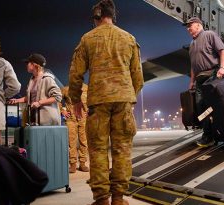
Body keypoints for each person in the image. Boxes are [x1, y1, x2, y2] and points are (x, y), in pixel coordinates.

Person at [68, 0, 144, 204]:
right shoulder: (128, 38)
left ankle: (101, 200)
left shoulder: (87, 39)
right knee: (122, 149)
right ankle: (118, 199)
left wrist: (75, 99)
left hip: (98, 102)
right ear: (113, 16)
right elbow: (138, 78)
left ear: (96, 18)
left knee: (98, 149)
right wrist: (129, 97)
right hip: (123, 102)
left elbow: (76, 75)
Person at [183, 17, 224, 147]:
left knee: (211, 106)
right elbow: (193, 66)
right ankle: (208, 134)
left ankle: (218, 132)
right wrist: (191, 81)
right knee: (201, 107)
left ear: (198, 25)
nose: (188, 29)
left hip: (211, 75)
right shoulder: (192, 44)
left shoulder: (209, 34)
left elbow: (223, 52)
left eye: (189, 26)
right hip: (199, 79)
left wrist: (223, 68)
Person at [9, 53, 62, 125]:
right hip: (35, 117)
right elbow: (30, 98)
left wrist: (39, 103)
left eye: (28, 63)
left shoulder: (47, 79)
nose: (26, 65)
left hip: (47, 119)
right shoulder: (32, 80)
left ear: (34, 65)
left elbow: (57, 97)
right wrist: (17, 100)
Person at [60, 85, 89, 173]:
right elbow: (57, 99)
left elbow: (93, 100)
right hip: (71, 119)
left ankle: (82, 164)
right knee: (71, 142)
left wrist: (90, 110)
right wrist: (62, 111)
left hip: (84, 119)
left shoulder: (87, 88)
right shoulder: (66, 89)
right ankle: (72, 164)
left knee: (83, 142)